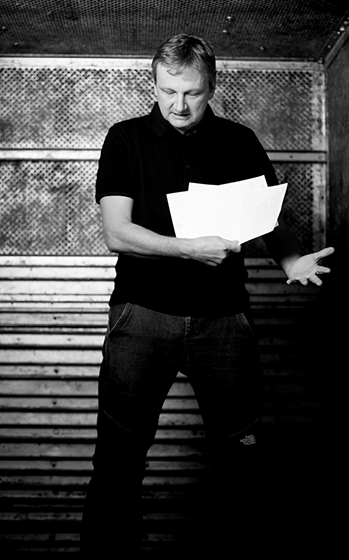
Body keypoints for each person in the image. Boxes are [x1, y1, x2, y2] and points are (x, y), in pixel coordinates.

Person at [81, 33, 334, 555]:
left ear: (212, 86)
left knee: (243, 454)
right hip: (142, 317)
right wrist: (187, 249)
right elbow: (117, 233)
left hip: (224, 322)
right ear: (154, 84)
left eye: (192, 92)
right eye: (167, 90)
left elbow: (267, 222)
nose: (178, 104)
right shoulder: (125, 138)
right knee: (118, 461)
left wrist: (292, 260)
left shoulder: (240, 141)